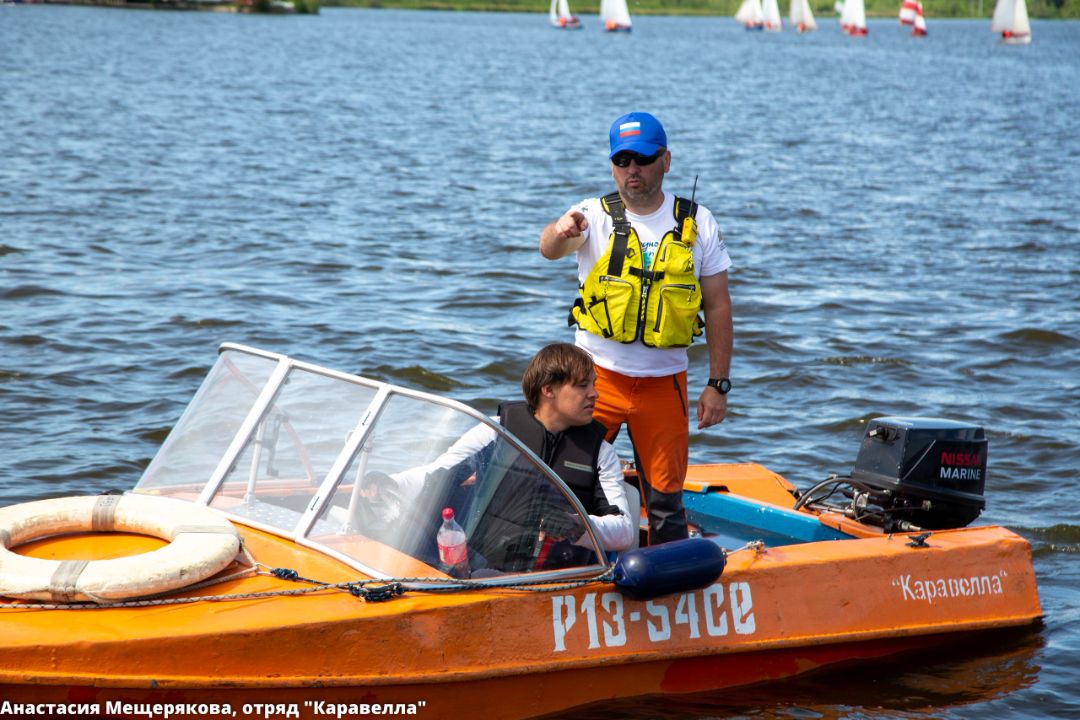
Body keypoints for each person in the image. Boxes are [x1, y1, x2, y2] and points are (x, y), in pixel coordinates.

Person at [538, 111, 734, 545]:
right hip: (594, 381)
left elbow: (719, 306)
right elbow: (548, 249)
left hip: (664, 385)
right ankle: (561, 568)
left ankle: (667, 578)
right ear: (612, 165)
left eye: (643, 159)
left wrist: (717, 384)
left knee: (665, 503)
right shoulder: (591, 215)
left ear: (666, 160)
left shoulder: (698, 222)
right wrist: (559, 229)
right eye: (622, 160)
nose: (633, 170)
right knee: (567, 488)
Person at [364, 343, 635, 574]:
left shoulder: (601, 453)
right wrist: (389, 483)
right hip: (489, 569)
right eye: (582, 385)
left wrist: (578, 525)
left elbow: (624, 531)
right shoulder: (496, 431)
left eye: (593, 385)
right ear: (548, 390)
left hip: (558, 579)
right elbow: (438, 473)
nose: (594, 394)